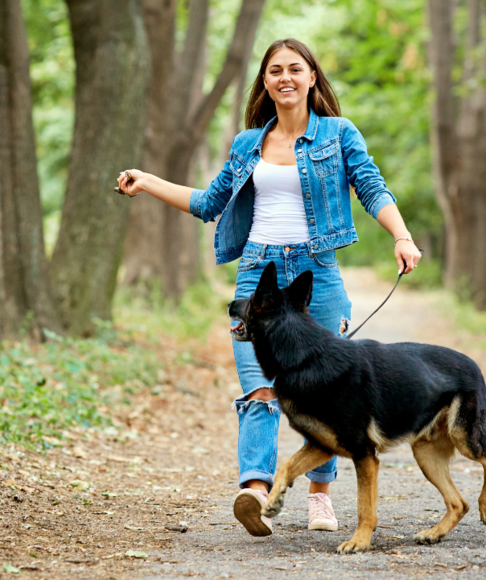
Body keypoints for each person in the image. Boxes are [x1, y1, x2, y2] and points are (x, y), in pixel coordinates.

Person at [116, 38, 422, 537]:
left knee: (330, 393)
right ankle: (256, 491)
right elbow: (208, 204)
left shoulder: (340, 134)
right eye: (275, 70)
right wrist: (148, 181)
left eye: (294, 69)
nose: (285, 77)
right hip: (257, 275)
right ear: (265, 81)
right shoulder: (246, 144)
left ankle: (320, 498)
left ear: (312, 78)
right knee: (260, 389)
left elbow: (371, 186)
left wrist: (402, 236)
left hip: (315, 276)